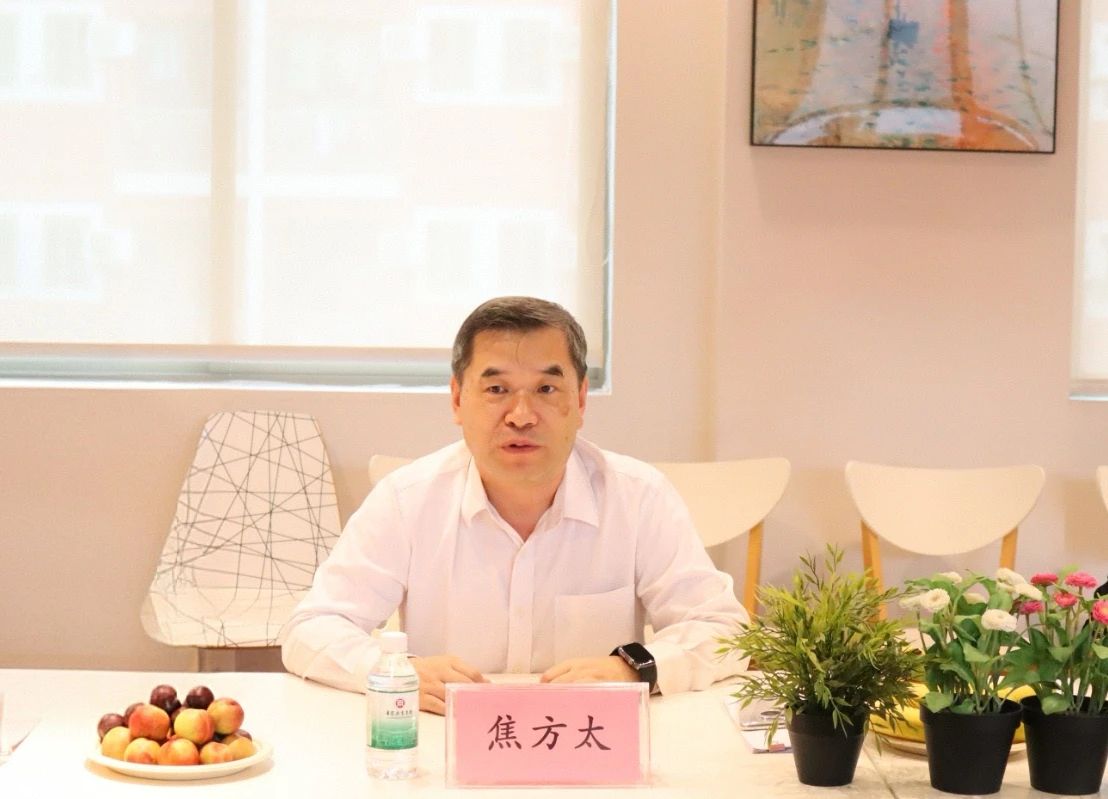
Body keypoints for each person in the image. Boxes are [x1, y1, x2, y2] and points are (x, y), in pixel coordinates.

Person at [281, 296, 749, 713]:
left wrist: (634, 668)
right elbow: (312, 627)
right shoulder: (407, 500)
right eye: (496, 389)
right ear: (457, 399)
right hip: (447, 745)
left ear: (580, 400)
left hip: (590, 744)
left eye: (546, 389)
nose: (521, 416)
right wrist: (393, 671)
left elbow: (723, 629)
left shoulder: (639, 497)